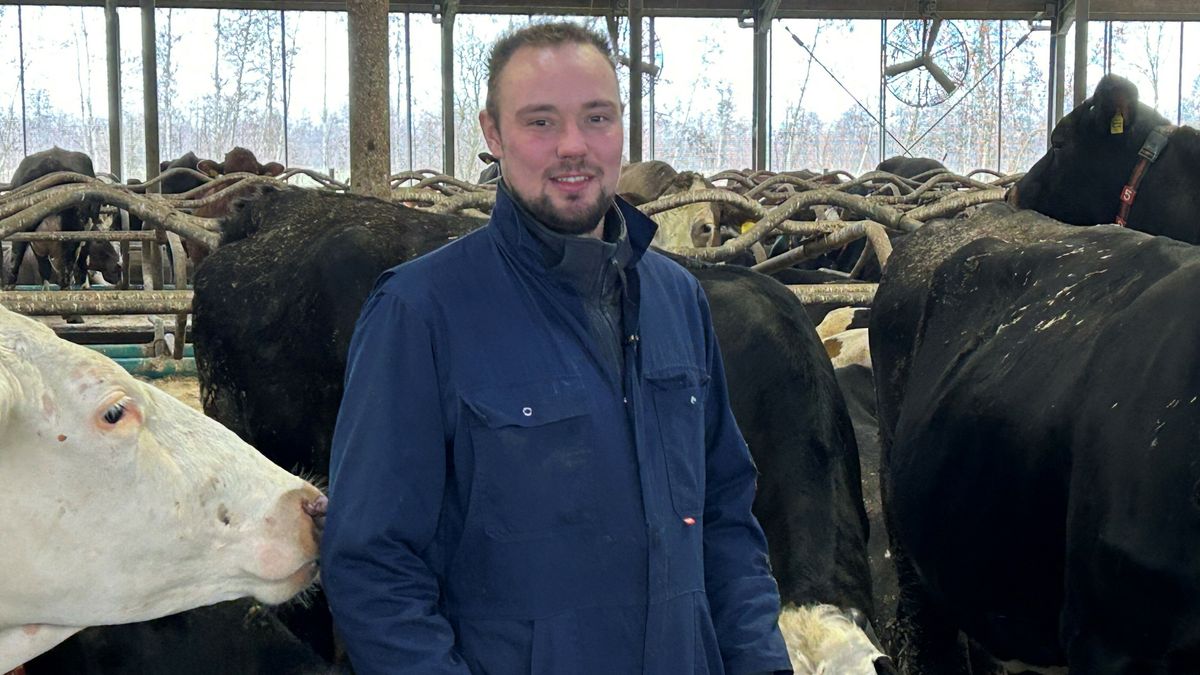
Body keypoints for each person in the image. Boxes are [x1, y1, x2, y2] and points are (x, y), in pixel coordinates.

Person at [321, 21, 792, 675]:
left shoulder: (677, 298)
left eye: (596, 118)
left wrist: (762, 661)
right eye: (540, 122)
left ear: (621, 126)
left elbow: (725, 517)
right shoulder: (421, 311)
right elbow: (371, 564)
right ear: (493, 133)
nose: (574, 146)